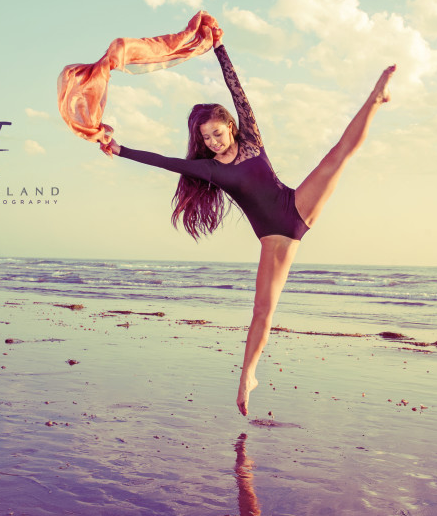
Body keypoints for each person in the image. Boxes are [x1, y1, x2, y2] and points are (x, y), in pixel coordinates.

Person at [104, 38, 395, 415]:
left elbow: (234, 85)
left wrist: (219, 46)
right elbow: (163, 161)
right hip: (276, 239)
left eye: (217, 133)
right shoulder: (210, 169)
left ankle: (375, 97)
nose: (212, 141)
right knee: (262, 310)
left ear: (230, 124)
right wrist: (119, 149)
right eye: (205, 138)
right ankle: (247, 376)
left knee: (340, 152)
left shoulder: (252, 137)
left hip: (296, 206)